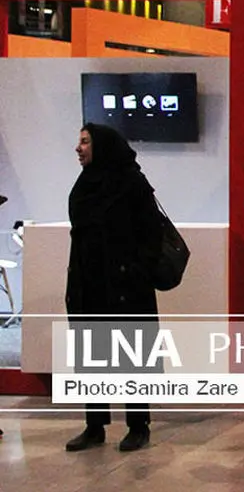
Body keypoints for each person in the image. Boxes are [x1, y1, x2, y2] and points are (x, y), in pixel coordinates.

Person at [64, 124, 164, 453]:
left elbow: (152, 233)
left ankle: (138, 425)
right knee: (92, 354)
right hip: (89, 281)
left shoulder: (130, 182)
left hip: (125, 284)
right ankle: (95, 425)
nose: (79, 148)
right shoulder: (85, 184)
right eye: (79, 142)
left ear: (103, 145)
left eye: (85, 141)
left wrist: (135, 270)